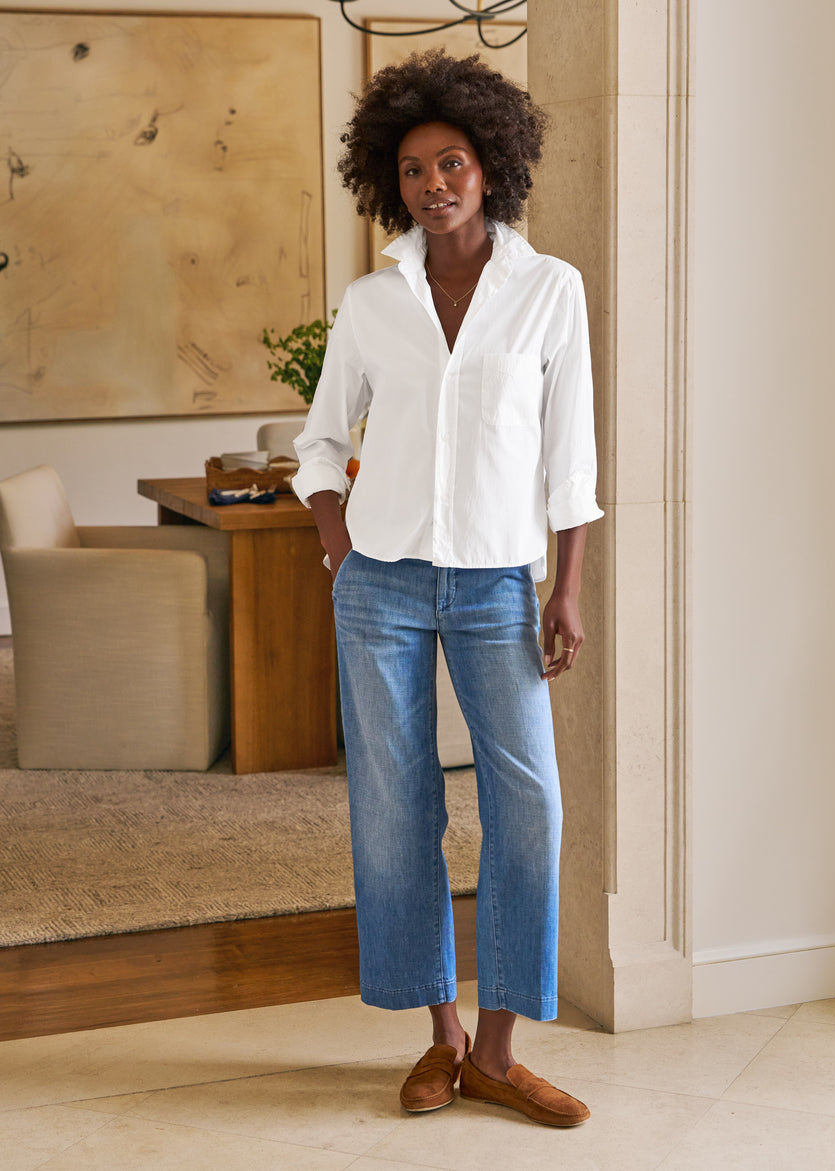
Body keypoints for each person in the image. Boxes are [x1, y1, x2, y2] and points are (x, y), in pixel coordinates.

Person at [292, 49, 603, 1128]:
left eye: (454, 163)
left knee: (530, 804)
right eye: (415, 167)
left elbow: (572, 461)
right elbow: (322, 440)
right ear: (393, 178)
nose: (435, 184)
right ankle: (441, 1038)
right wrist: (340, 545)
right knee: (394, 806)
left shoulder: (547, 290)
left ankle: (502, 1054)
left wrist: (566, 588)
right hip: (378, 582)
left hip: (495, 586)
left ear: (492, 168)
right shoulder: (374, 301)